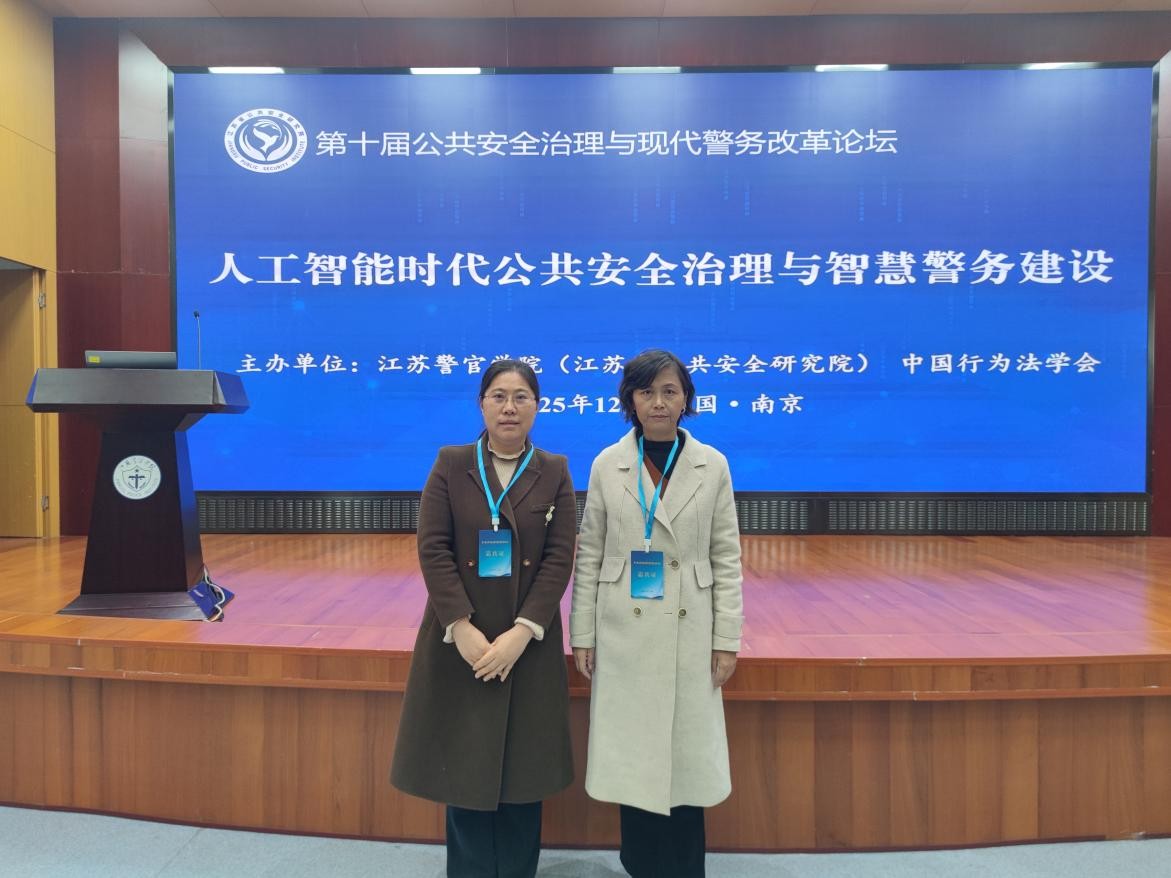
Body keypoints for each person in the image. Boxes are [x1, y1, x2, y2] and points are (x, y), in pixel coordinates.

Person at [391, 359, 576, 878]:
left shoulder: (554, 469)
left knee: (524, 776)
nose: (509, 407)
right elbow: (433, 547)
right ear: (482, 404)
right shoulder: (452, 463)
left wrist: (524, 630)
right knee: (465, 772)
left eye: (521, 397)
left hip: (527, 644)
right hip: (461, 642)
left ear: (537, 406)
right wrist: (460, 625)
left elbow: (559, 557)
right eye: (498, 396)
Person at [570, 349, 744, 878]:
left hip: (691, 632)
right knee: (636, 758)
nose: (659, 402)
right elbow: (590, 552)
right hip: (624, 631)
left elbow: (726, 556)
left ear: (686, 398)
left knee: (686, 764)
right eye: (646, 392)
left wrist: (726, 638)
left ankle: (685, 867)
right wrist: (582, 634)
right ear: (631, 400)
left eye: (670, 391)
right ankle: (641, 864)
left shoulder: (712, 465)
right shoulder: (608, 463)